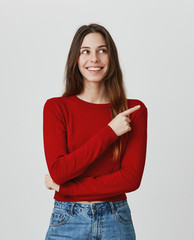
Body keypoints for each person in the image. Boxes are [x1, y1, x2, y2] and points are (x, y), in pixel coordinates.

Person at [43, 23, 148, 240]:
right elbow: (59, 171)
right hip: (67, 221)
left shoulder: (132, 112)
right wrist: (110, 131)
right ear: (76, 59)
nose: (94, 59)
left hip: (115, 220)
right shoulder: (56, 108)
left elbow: (130, 179)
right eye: (85, 51)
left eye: (102, 50)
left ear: (112, 58)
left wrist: (67, 189)